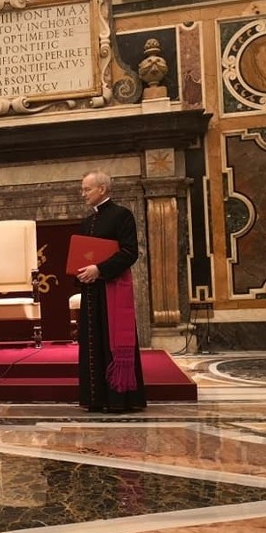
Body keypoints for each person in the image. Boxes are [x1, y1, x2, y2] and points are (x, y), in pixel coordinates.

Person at [75, 169, 146, 412]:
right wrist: (82, 271)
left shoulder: (121, 215)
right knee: (93, 342)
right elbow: (82, 255)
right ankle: (96, 398)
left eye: (87, 189)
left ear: (102, 189)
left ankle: (119, 399)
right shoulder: (87, 221)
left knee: (110, 340)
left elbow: (129, 252)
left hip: (112, 289)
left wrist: (99, 269)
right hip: (90, 291)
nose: (82, 194)